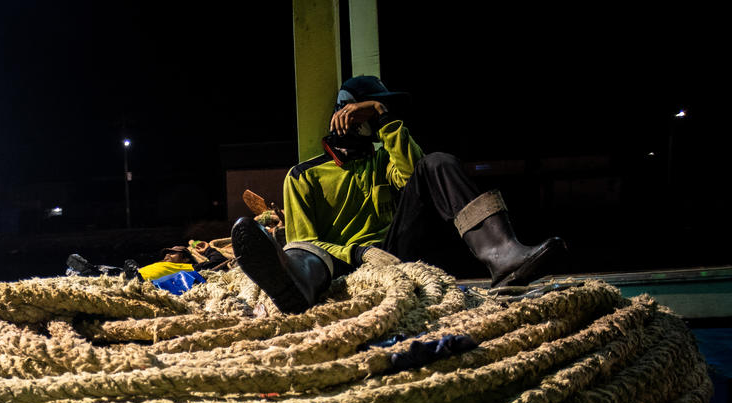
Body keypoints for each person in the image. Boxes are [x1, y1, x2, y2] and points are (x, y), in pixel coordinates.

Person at [232, 75, 566, 313]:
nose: (375, 120)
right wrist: (360, 253)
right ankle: (293, 288)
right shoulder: (304, 175)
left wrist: (386, 122)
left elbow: (414, 174)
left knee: (437, 162)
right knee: (304, 255)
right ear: (346, 114)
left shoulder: (382, 160)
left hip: (396, 251)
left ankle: (504, 257)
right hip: (342, 265)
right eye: (369, 112)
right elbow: (306, 241)